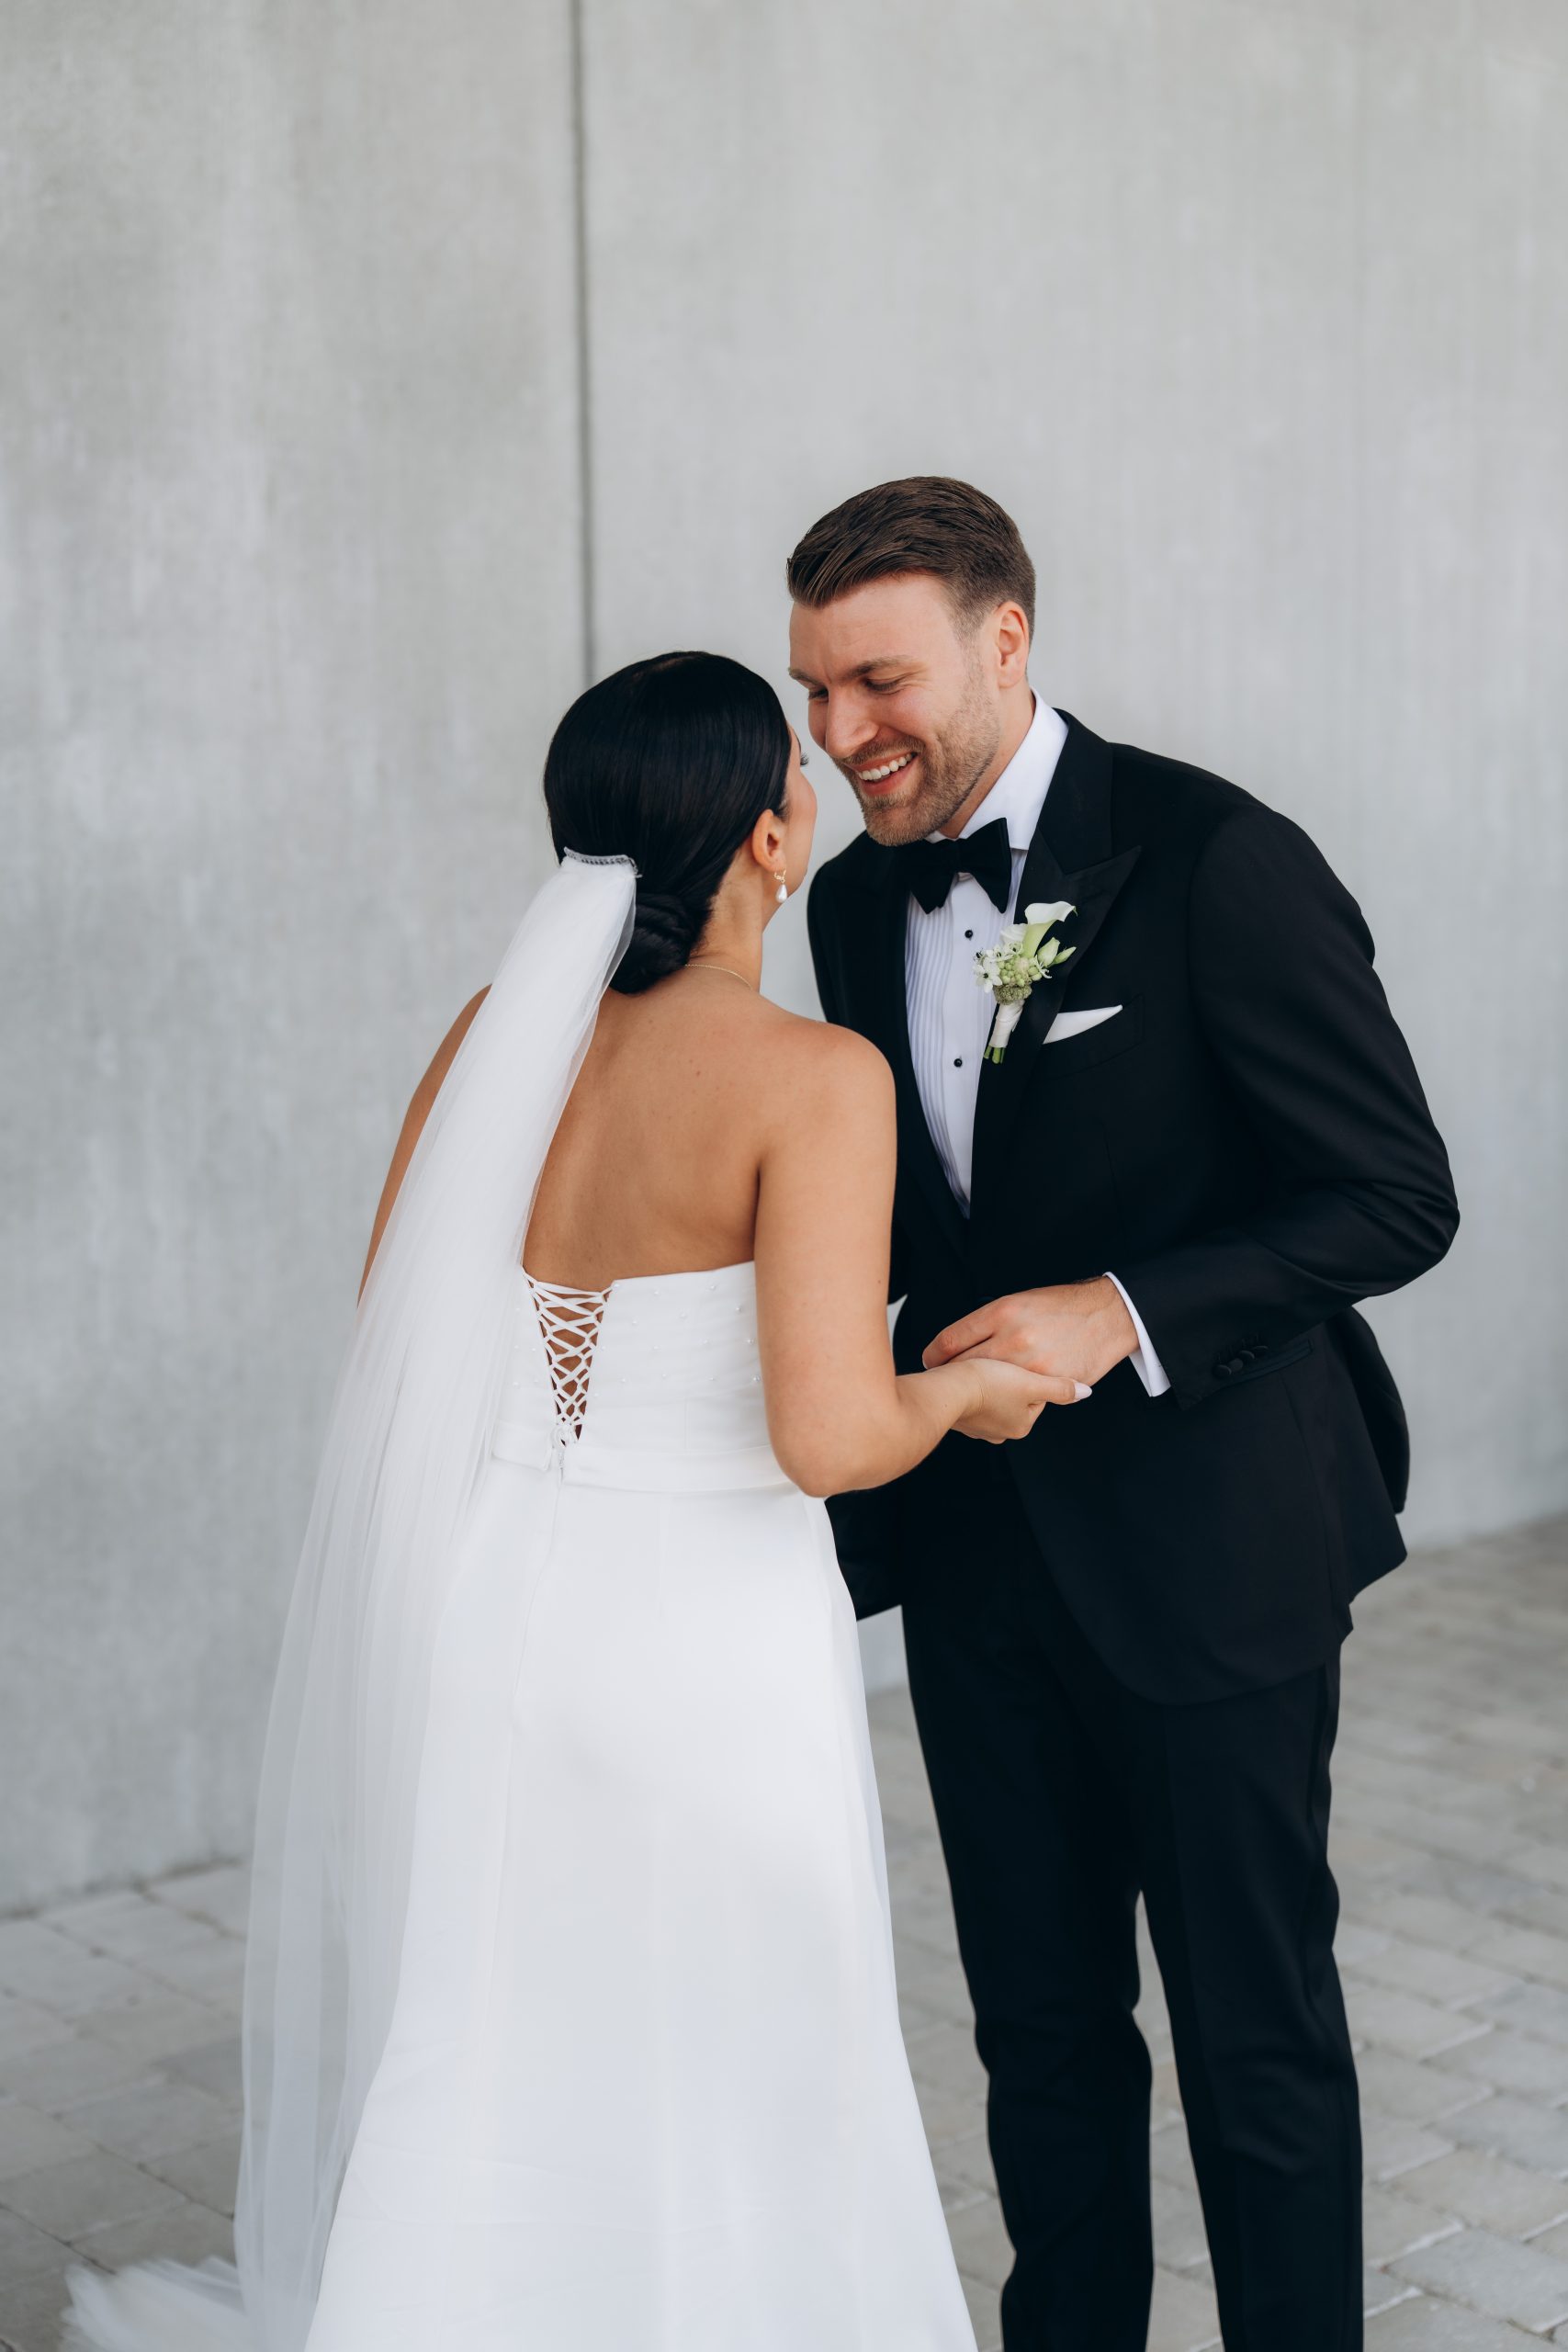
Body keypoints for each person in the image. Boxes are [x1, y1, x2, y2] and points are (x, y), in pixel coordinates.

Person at [64, 650, 1083, 2352]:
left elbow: (401, 1334)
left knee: (499, 2013)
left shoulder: (496, 1037)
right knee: (746, 2017)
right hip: (705, 1633)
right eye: (796, 774)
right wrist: (971, 1394)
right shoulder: (813, 1079)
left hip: (501, 1604)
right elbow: (830, 1437)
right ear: (768, 838)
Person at [794, 478, 1460, 2352]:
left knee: (1255, 2037)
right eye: (813, 690)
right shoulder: (849, 904)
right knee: (1037, 2034)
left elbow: (1392, 1196)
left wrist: (1124, 1312)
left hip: (1211, 1550)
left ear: (1004, 640)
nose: (840, 732)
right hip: (974, 1556)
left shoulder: (1214, 856)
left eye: (878, 679)